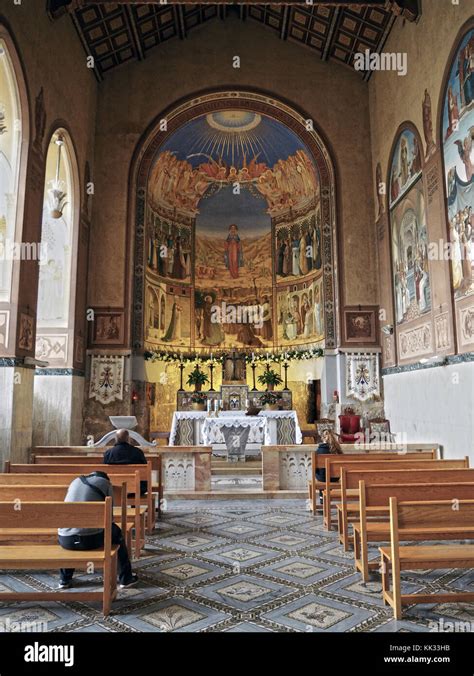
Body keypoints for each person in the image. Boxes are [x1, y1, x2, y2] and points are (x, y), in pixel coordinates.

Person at [57, 470, 137, 589]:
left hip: (65, 540)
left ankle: (64, 580)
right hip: (91, 540)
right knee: (117, 533)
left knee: (73, 529)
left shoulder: (75, 481)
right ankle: (126, 578)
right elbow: (109, 516)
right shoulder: (105, 483)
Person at [104, 429, 148, 495]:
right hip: (137, 489)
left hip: (114, 489)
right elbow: (145, 471)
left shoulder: (108, 453)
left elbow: (105, 473)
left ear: (116, 439)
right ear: (128, 439)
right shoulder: (138, 452)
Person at [316, 429, 342, 503]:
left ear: (322, 438)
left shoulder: (319, 450)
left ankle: (322, 497)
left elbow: (315, 468)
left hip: (323, 478)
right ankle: (327, 495)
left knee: (321, 474)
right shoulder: (337, 449)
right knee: (326, 473)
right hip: (335, 477)